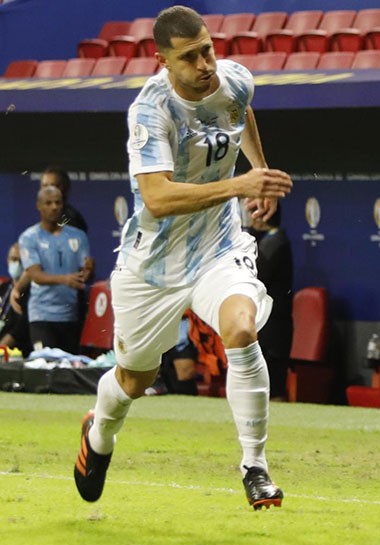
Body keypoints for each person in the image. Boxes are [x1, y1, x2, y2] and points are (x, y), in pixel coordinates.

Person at [73, 5, 293, 510]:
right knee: (135, 377)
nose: (205, 65)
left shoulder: (235, 80)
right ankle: (99, 432)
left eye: (208, 50)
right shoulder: (150, 111)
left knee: (241, 328)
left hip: (219, 247)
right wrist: (240, 183)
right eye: (190, 57)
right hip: (153, 265)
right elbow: (157, 197)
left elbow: (242, 114)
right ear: (163, 61)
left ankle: (255, 467)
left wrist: (260, 168)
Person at [17, 186, 92, 354]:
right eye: (48, 203)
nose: (54, 207)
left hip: (70, 316)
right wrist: (66, 280)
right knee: (46, 367)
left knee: (70, 369)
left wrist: (88, 271)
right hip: (41, 316)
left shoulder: (78, 236)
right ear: (38, 206)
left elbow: (85, 273)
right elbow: (35, 275)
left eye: (58, 202)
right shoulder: (29, 237)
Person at [244, 202, 294, 401]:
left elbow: (255, 272)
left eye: (252, 213)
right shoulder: (267, 239)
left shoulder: (276, 241)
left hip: (274, 326)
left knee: (273, 386)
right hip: (264, 323)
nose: (249, 218)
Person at [0, 243, 32, 354]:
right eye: (13, 259)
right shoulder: (3, 288)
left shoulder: (32, 292)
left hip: (17, 351)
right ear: (7, 260)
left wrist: (1, 348)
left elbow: (20, 330)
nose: (17, 264)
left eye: (21, 261)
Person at [40, 166, 88, 233]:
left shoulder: (69, 220)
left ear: (64, 188)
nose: (48, 190)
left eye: (53, 185)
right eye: (44, 186)